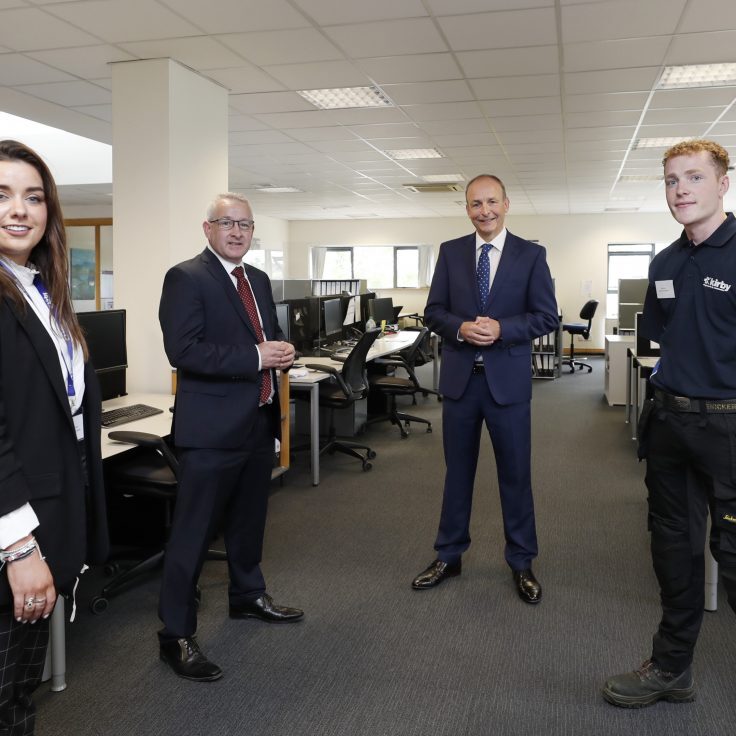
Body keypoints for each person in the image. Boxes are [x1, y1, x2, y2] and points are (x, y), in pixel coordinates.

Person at [603, 139, 736, 707]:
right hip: (670, 426)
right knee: (674, 556)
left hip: (730, 430)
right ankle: (671, 668)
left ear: (723, 183)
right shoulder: (665, 262)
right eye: (670, 180)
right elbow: (659, 336)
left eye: (694, 177)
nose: (680, 189)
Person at [158, 192, 301, 682]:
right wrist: (257, 358)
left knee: (249, 520)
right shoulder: (186, 278)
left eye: (245, 224)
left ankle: (247, 596)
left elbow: (267, 336)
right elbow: (185, 351)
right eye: (227, 223)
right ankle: (174, 633)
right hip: (211, 431)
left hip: (258, 419)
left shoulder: (257, 279)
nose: (238, 232)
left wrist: (282, 350)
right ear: (208, 228)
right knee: (193, 534)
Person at [0, 139, 108, 734]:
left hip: (49, 510)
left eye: (33, 197)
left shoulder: (40, 288)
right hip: (15, 530)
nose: (19, 210)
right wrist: (18, 549)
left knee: (17, 694)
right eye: (3, 195)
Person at [411, 174, 558, 604]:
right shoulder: (452, 252)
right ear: (467, 208)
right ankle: (449, 555)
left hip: (507, 386)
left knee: (515, 476)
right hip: (460, 384)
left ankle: (521, 561)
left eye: (492, 202)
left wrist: (502, 329)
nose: (484, 211)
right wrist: (459, 327)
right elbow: (433, 312)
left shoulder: (531, 255)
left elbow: (546, 316)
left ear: (507, 204)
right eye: (476, 204)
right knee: (457, 474)